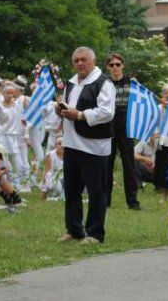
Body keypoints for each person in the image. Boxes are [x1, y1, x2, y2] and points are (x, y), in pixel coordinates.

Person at [56, 46, 115, 245]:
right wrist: (61, 111)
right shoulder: (71, 83)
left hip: (93, 145)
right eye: (76, 60)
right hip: (72, 143)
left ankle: (95, 233)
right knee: (71, 189)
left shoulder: (103, 83)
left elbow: (107, 112)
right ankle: (74, 229)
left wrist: (80, 115)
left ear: (93, 61)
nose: (80, 63)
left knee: (96, 190)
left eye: (84, 60)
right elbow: (68, 107)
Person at [104, 53, 140, 210]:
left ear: (123, 65)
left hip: (126, 128)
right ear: (107, 67)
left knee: (129, 165)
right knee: (107, 166)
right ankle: (105, 201)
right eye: (111, 65)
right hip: (108, 128)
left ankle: (132, 202)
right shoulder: (104, 84)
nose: (115, 67)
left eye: (118, 64)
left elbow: (141, 103)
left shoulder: (131, 83)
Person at [0, 83, 23, 188]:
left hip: (13, 136)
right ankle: (8, 183)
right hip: (0, 135)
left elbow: (20, 120)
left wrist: (23, 134)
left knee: (18, 161)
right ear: (3, 93)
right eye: (8, 92)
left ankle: (17, 182)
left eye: (12, 93)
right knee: (4, 161)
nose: (10, 95)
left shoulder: (17, 106)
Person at [154, 84, 168, 203]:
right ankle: (165, 195)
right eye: (165, 93)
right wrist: (156, 142)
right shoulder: (158, 108)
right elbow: (155, 126)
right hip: (161, 142)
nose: (167, 95)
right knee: (163, 169)